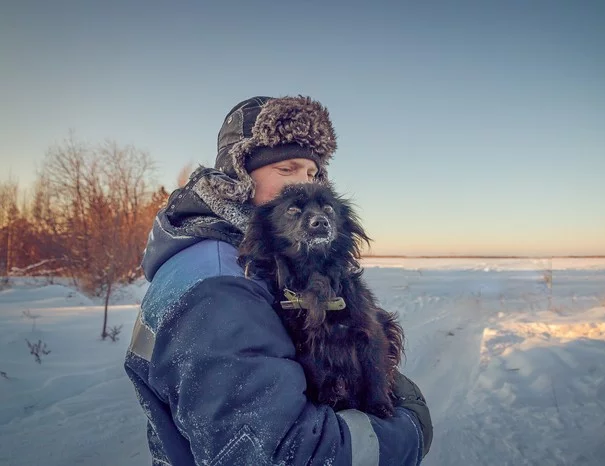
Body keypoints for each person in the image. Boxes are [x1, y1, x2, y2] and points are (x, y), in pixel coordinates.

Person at [124, 95, 433, 465]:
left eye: (312, 173)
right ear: (239, 177)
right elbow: (280, 453)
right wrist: (407, 430)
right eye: (287, 170)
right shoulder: (218, 285)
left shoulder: (253, 259)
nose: (302, 185)